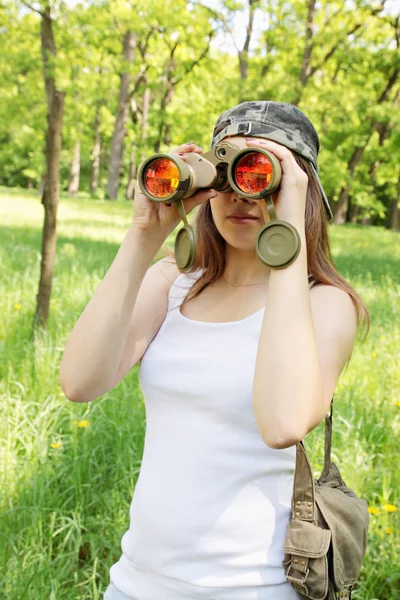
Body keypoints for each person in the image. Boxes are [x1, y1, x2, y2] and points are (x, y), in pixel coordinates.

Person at [60, 101, 370, 600]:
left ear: (300, 190)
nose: (239, 197)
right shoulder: (175, 284)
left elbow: (284, 423)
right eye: (225, 177)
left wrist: (286, 230)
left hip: (252, 588)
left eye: (259, 176)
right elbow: (79, 382)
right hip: (136, 581)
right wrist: (143, 237)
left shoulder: (325, 303)